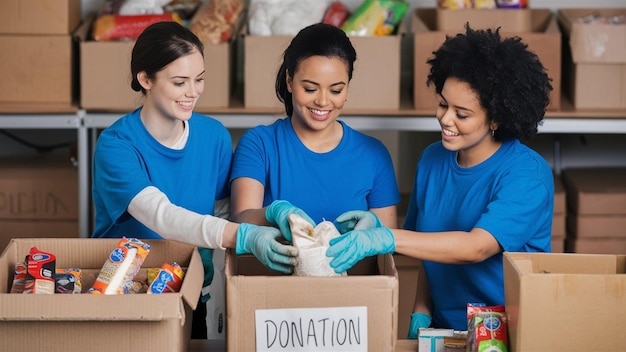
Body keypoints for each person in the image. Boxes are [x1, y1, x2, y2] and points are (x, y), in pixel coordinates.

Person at [326, 25, 554, 334]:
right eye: (443, 104)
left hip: (507, 335)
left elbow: (475, 247)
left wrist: (387, 236)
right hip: (445, 331)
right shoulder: (433, 159)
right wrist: (420, 315)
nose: (445, 119)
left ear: (497, 119)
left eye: (462, 114)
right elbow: (429, 249)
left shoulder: (527, 175)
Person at [91, 21, 298, 338]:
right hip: (124, 292)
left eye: (199, 80)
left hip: (190, 289)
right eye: (179, 82)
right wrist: (243, 236)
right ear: (145, 79)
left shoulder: (213, 136)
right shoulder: (116, 146)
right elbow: (161, 216)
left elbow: (221, 211)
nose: (193, 92)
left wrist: (267, 222)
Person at [229, 22, 400, 246]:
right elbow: (238, 223)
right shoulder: (259, 144)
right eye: (310, 89)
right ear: (290, 81)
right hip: (271, 279)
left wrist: (373, 232)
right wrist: (272, 213)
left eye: (336, 90)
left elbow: (387, 245)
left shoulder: (373, 154)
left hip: (353, 281)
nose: (322, 101)